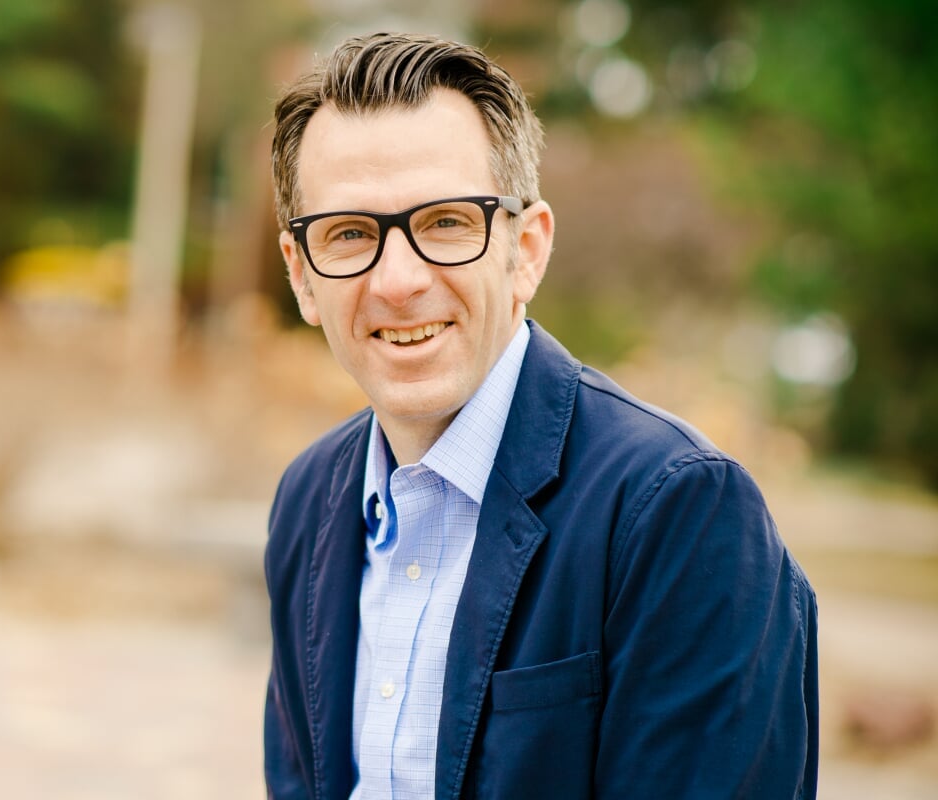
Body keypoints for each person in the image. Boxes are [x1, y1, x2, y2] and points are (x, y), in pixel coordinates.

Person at [263, 31, 819, 800]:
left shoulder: (678, 511)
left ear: (524, 250)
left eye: (446, 222)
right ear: (301, 276)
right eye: (350, 233)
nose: (397, 281)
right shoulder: (307, 502)